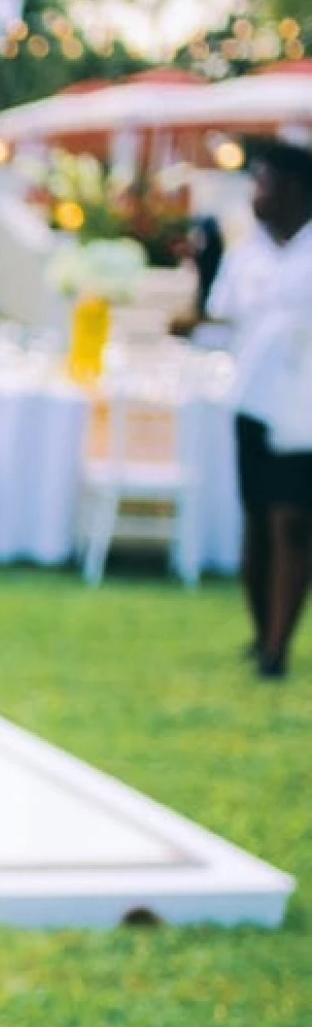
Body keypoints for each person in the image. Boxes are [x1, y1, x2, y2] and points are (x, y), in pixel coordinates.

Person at [208, 139, 312, 679]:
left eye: (264, 184)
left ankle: (278, 646)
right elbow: (220, 315)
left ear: (293, 190)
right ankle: (260, 632)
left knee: (292, 521)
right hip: (253, 399)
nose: (256, 195)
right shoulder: (248, 251)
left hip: (305, 410)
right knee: (255, 517)